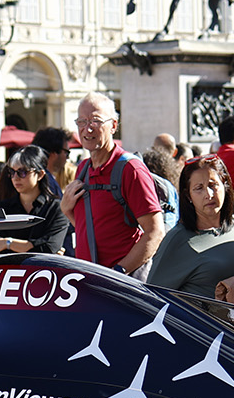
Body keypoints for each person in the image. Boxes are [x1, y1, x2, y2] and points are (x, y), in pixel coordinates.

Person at [61, 94, 164, 275]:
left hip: (121, 286)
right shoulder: (83, 169)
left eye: (96, 121)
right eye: (82, 122)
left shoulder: (130, 169)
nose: (87, 129)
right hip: (90, 281)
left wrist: (118, 272)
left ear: (114, 126)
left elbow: (155, 232)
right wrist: (67, 210)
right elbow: (93, 228)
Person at [148, 155, 234, 299]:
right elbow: (153, 297)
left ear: (225, 185)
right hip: (202, 321)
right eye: (199, 188)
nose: (209, 194)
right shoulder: (177, 239)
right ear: (188, 196)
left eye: (213, 185)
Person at [0, 145, 70, 255]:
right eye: (12, 172)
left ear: (40, 174)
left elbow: (50, 247)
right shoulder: (1, 209)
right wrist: (33, 246)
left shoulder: (56, 208)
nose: (16, 178)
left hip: (41, 271)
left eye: (23, 172)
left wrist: (7, 243)